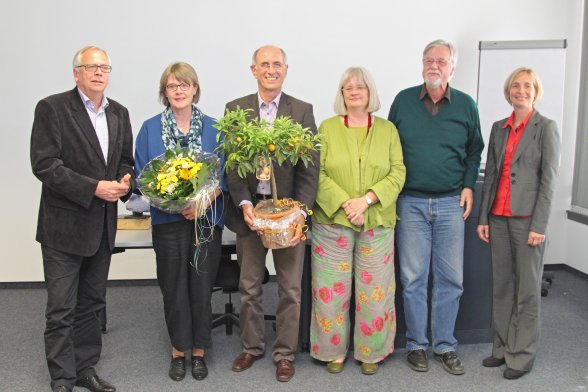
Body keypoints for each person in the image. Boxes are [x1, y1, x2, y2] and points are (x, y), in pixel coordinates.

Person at [30, 46, 134, 392]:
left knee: (92, 304)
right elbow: (45, 165)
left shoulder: (119, 112)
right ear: (76, 73)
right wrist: (94, 188)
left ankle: (84, 369)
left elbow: (125, 160)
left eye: (104, 66)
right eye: (91, 67)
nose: (99, 72)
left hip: (102, 227)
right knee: (61, 308)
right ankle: (61, 378)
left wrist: (124, 179)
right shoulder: (52, 108)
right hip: (63, 228)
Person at [388, 39, 484, 376]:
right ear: (422, 64)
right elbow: (388, 148)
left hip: (450, 202)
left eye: (441, 61)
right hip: (410, 201)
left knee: (451, 279)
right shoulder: (402, 101)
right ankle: (416, 344)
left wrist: (469, 184)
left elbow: (475, 150)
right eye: (429, 60)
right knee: (412, 278)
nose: (434, 65)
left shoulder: (466, 105)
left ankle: (444, 345)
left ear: (452, 68)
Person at [225, 45, 319, 382]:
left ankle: (285, 353)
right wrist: (245, 204)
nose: (270, 69)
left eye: (276, 64)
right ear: (253, 70)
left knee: (290, 289)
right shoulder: (236, 109)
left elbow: (310, 171)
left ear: (286, 69)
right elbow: (233, 167)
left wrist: (300, 215)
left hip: (287, 216)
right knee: (249, 286)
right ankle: (251, 348)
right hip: (250, 215)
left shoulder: (302, 111)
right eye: (264, 64)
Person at [309, 67, 405, 375]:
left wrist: (365, 201)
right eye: (347, 88)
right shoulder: (325, 128)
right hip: (332, 222)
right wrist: (345, 204)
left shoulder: (388, 130)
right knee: (330, 291)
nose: (354, 92)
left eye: (360, 87)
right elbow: (317, 173)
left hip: (376, 221)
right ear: (341, 95)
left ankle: (371, 351)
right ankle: (332, 351)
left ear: (369, 93)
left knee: (375, 292)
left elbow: (398, 172)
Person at [134, 62, 226, 382]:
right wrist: (172, 203)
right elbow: (143, 174)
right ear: (165, 92)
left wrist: (203, 201)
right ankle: (177, 350)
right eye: (172, 86)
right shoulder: (148, 129)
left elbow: (223, 174)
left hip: (205, 220)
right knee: (173, 288)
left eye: (184, 85)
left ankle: (199, 351)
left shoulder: (215, 128)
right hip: (166, 220)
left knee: (200, 287)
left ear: (195, 89)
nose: (178, 91)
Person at [476, 67, 560, 380]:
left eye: (526, 86)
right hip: (498, 217)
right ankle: (501, 348)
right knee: (502, 287)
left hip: (528, 222)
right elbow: (494, 174)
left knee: (526, 290)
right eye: (515, 86)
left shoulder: (545, 127)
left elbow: (548, 181)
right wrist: (484, 217)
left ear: (535, 91)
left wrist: (540, 225)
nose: (520, 91)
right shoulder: (499, 128)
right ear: (508, 91)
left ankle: (521, 356)